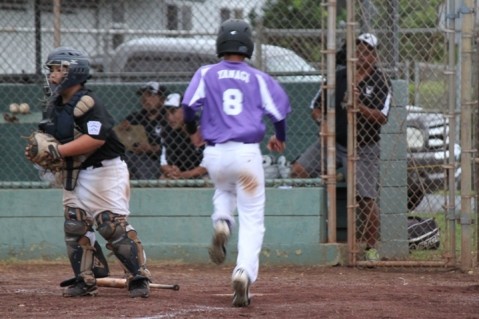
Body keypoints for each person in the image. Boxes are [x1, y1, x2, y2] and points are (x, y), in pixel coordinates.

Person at [25, 47, 152, 298]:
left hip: (105, 170)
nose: (53, 75)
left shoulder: (87, 102)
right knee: (75, 223)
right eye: (51, 69)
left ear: (75, 72)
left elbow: (96, 138)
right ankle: (88, 276)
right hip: (75, 171)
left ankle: (139, 276)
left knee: (110, 224)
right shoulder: (53, 105)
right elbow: (50, 140)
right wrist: (37, 153)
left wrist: (58, 152)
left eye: (59, 69)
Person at [182, 19, 291, 307]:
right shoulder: (257, 78)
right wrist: (279, 137)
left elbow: (187, 107)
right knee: (253, 218)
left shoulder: (206, 73)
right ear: (248, 46)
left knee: (224, 190)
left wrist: (194, 133)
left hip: (215, 155)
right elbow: (279, 113)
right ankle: (243, 272)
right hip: (246, 155)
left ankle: (221, 221)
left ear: (220, 44)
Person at [290, 33, 392, 260]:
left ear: (375, 56)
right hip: (333, 142)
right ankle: (301, 233)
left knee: (365, 198)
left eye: (367, 51)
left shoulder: (381, 81)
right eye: (358, 50)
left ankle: (372, 248)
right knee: (297, 171)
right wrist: (322, 123)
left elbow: (383, 117)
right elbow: (315, 107)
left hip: (364, 147)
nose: (362, 55)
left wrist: (359, 106)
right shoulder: (337, 77)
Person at [117, 81, 168, 179]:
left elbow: (172, 148)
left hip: (157, 160)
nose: (146, 99)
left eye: (150, 95)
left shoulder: (168, 118)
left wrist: (151, 149)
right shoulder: (136, 118)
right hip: (134, 158)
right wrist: (122, 129)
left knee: (144, 166)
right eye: (143, 96)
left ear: (162, 99)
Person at [160, 92, 207, 179]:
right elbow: (163, 163)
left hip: (203, 174)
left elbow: (207, 166)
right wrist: (171, 171)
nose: (169, 118)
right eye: (166, 113)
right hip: (181, 172)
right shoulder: (167, 132)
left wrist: (183, 175)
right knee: (163, 178)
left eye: (173, 111)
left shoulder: (203, 128)